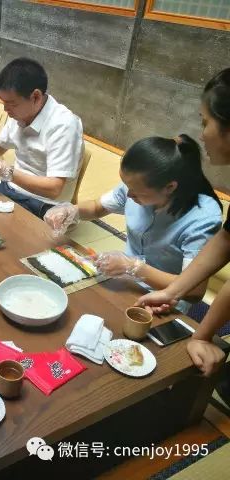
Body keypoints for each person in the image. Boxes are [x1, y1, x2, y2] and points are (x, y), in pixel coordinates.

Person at [44, 134, 222, 312]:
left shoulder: (202, 219)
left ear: (170, 187)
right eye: (127, 186)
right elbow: (98, 207)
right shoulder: (136, 186)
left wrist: (133, 267)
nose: (128, 194)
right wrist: (71, 210)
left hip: (165, 301)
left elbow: (194, 291)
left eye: (137, 192)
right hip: (123, 279)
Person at [137, 68, 230, 378]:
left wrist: (202, 336)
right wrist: (172, 291)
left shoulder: (203, 211)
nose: (202, 135)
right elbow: (227, 240)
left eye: (205, 122)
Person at [0, 58, 84, 218]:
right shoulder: (21, 113)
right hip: (11, 188)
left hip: (44, 205)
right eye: (3, 102)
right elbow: (0, 146)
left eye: (12, 104)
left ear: (36, 97)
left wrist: (6, 171)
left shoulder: (64, 125)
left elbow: (54, 188)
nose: (5, 109)